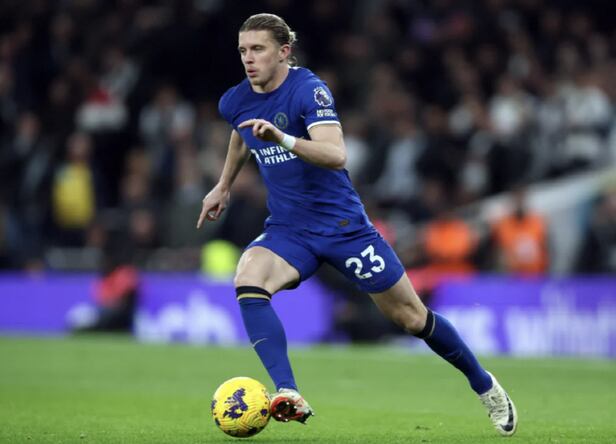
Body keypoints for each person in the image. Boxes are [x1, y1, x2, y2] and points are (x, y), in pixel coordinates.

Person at [196, 13, 518, 437]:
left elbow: (336, 155)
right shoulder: (235, 99)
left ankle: (484, 385)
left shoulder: (309, 90)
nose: (248, 58)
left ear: (284, 51)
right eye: (243, 50)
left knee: (412, 318)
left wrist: (284, 138)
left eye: (258, 49)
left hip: (344, 227)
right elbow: (241, 133)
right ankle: (288, 391)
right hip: (290, 229)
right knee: (248, 278)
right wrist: (223, 185)